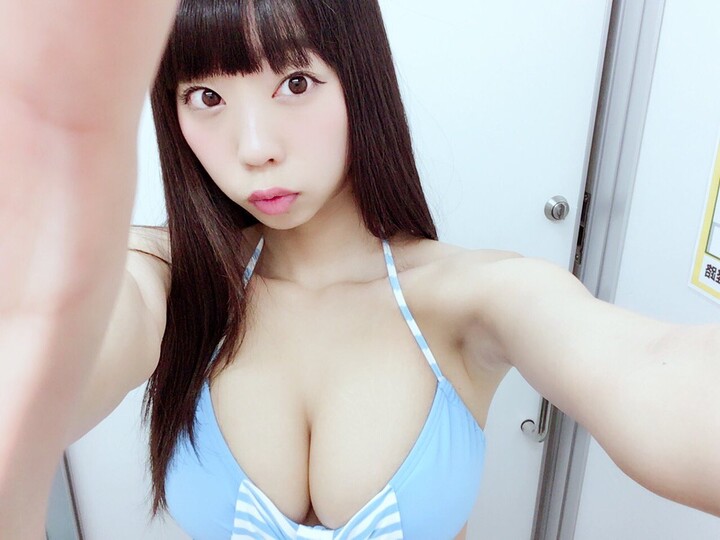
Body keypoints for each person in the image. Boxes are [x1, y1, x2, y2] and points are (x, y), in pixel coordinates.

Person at [1, 0, 718, 538]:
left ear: (359, 79)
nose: (254, 147)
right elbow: (51, 365)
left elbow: (647, 368)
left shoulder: (474, 299)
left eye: (295, 82)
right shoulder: (167, 276)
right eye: (207, 97)